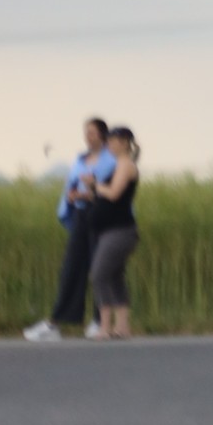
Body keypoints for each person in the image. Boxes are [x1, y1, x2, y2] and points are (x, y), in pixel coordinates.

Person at [24, 116, 113, 341]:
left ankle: (99, 321)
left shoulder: (111, 160)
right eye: (86, 132)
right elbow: (72, 184)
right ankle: (57, 321)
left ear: (102, 135)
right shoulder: (80, 160)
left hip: (101, 216)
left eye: (91, 132)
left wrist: (90, 194)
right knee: (71, 268)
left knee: (99, 269)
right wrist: (72, 196)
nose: (87, 136)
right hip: (81, 215)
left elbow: (114, 192)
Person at [88, 128, 141, 338]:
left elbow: (114, 193)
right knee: (114, 276)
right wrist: (89, 192)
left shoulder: (126, 165)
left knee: (99, 274)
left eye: (112, 140)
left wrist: (96, 185)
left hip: (120, 231)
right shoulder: (119, 165)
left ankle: (104, 326)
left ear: (124, 142)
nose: (109, 144)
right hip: (112, 230)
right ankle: (122, 327)